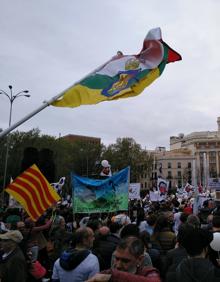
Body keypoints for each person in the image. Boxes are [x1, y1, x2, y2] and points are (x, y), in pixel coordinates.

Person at [87, 236, 161, 282]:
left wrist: (114, 276)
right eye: (117, 258)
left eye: (125, 261)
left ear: (140, 259)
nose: (118, 265)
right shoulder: (107, 274)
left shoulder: (148, 272)